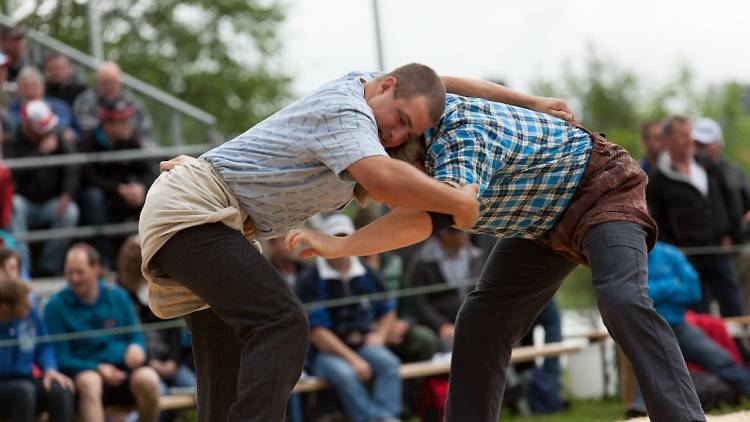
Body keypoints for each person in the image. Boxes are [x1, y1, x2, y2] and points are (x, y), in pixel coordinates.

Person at [141, 62, 576, 421]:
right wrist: (457, 198)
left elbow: (440, 84)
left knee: (227, 360)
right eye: (401, 121)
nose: (396, 138)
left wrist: (533, 103)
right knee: (283, 322)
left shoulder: (368, 86)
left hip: (220, 217)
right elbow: (383, 178)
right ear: (386, 88)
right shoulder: (350, 113)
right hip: (196, 209)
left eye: (409, 133)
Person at [286, 94, 705, 421]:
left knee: (621, 299)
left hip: (601, 189)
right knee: (481, 321)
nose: (391, 202)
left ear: (412, 165)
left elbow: (422, 221)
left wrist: (341, 246)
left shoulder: (459, 145)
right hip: (539, 221)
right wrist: (533, 102)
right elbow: (449, 81)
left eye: (393, 193)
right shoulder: (413, 109)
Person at [296, 214, 402, 422]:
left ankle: (386, 416)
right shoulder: (310, 278)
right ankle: (373, 419)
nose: (341, 244)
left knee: (389, 363)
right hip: (324, 354)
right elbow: (317, 332)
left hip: (363, 343)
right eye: (335, 238)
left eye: (346, 238)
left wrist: (379, 335)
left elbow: (388, 306)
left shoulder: (366, 272)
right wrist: (352, 359)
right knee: (346, 373)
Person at [44, 243, 161, 422]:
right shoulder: (54, 307)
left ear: (96, 269)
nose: (74, 278)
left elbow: (136, 336)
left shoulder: (118, 297)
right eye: (69, 272)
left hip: (122, 371)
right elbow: (60, 357)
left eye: (80, 272)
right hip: (84, 375)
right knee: (90, 381)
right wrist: (96, 367)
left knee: (149, 378)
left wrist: (137, 348)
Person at [646, 115, 743, 316]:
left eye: (690, 134)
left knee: (734, 306)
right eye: (683, 135)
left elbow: (729, 199)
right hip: (688, 255)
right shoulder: (658, 178)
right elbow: (656, 218)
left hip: (718, 248)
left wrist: (733, 233)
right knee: (700, 310)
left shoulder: (707, 165)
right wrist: (673, 248)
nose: (689, 139)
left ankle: (740, 347)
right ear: (668, 140)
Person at [4, 100, 80, 275]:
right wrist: (40, 153)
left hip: (51, 202)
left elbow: (73, 165)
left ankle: (49, 266)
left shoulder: (58, 135)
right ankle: (24, 267)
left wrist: (67, 194)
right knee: (14, 206)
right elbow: (13, 173)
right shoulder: (12, 141)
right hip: (25, 202)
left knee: (70, 211)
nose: (46, 132)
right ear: (27, 126)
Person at [0, 276, 75, 422]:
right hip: (6, 387)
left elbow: (44, 346)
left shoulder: (30, 316)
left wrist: (49, 369)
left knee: (60, 389)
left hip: (26, 380)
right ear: (4, 308)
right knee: (24, 392)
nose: (29, 306)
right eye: (24, 304)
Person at [74, 61, 155, 147]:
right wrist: (110, 132)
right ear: (96, 83)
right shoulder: (85, 101)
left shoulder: (133, 102)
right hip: (96, 151)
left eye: (112, 82)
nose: (109, 87)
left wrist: (129, 134)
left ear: (120, 82)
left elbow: (146, 131)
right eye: (104, 83)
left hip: (131, 150)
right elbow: (83, 128)